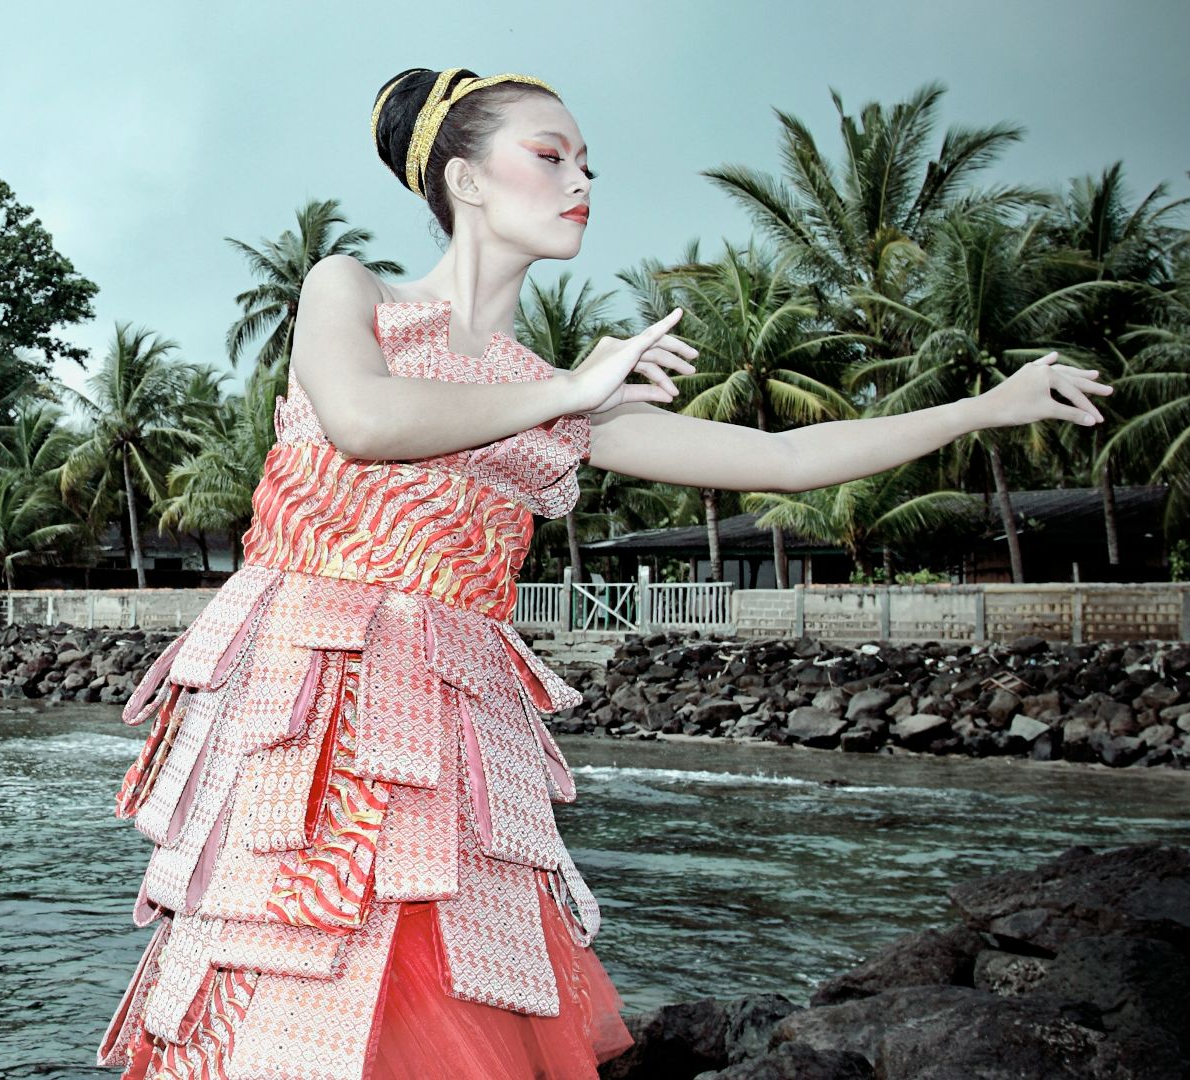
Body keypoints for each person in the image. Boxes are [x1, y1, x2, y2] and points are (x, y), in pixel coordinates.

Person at [95, 67, 1111, 1080]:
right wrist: (574, 392)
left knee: (445, 978)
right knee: (287, 966)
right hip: (304, 703)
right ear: (466, 179)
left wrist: (986, 407)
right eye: (550, 154)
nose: (581, 179)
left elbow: (788, 460)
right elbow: (364, 421)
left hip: (451, 717)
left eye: (588, 163)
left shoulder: (563, 395)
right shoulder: (350, 289)